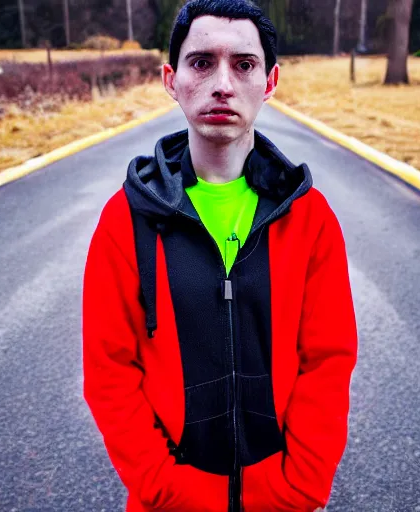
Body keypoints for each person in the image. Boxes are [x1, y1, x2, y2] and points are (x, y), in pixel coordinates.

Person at [82, 1, 358, 511]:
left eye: (244, 64)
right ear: (172, 78)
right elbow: (109, 371)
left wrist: (300, 484)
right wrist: (166, 487)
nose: (223, 84)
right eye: (202, 62)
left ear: (271, 81)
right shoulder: (127, 218)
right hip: (171, 500)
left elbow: (328, 361)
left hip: (280, 498)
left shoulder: (310, 217)